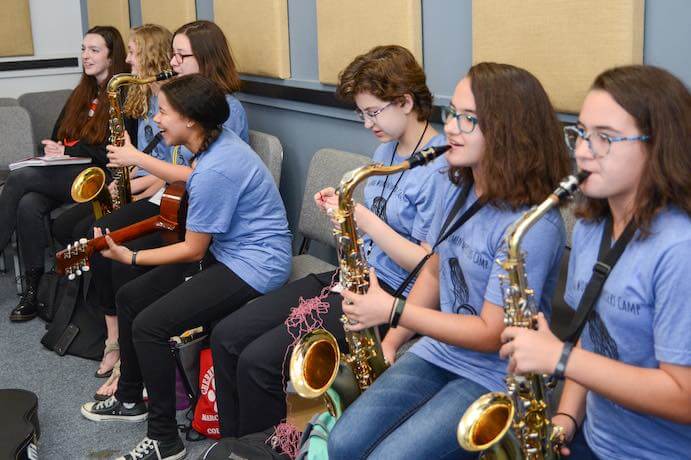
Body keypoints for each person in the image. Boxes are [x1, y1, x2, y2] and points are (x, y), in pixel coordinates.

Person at [327, 62, 571, 459]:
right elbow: (437, 270)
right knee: (342, 441)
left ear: (509, 130)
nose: (452, 127)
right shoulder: (458, 185)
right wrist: (390, 343)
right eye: (452, 112)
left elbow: (491, 333)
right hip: (440, 350)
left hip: (496, 375)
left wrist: (393, 310)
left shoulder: (534, 224)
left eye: (468, 119)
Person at [209, 45, 448, 439]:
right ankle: (237, 445)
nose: (367, 122)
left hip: (386, 296)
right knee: (227, 335)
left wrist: (365, 220)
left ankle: (274, 447)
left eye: (373, 111)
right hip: (348, 278)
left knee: (257, 362)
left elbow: (426, 268)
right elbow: (369, 231)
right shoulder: (386, 147)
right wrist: (344, 220)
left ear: (406, 102)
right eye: (362, 113)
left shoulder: (439, 169)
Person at [80, 74, 292, 460]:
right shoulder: (213, 144)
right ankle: (130, 399)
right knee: (130, 296)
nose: (156, 120)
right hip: (229, 251)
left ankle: (164, 440)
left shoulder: (217, 167)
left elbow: (193, 250)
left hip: (255, 264)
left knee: (150, 325)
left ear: (191, 119)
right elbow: (193, 182)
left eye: (163, 112)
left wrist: (130, 256)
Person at [499, 65, 691, 460]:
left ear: (659, 146)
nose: (582, 151)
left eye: (604, 138)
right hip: (594, 436)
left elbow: (683, 397)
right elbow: (595, 335)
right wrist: (566, 417)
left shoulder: (679, 249)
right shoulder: (589, 227)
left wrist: (560, 357)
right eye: (581, 133)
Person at [0, 26, 127, 322]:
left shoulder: (121, 95)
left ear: (112, 57)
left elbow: (112, 150)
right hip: (66, 172)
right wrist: (57, 147)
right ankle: (33, 291)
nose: (86, 55)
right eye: (83, 49)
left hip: (97, 177)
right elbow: (60, 133)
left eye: (94, 50)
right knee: (29, 203)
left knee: (20, 178)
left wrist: (69, 152)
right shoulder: (81, 92)